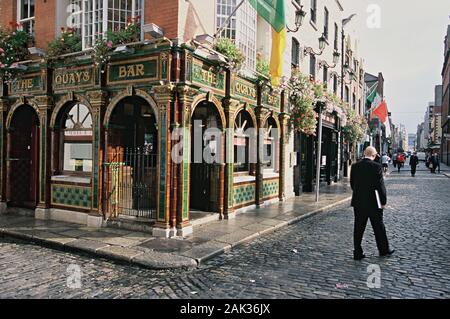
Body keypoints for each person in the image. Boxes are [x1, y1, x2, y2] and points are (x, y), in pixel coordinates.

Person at [350, 146, 394, 260]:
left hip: (358, 202)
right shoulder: (377, 167)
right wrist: (383, 201)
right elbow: (380, 186)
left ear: (364, 153)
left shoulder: (355, 166)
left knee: (358, 228)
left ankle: (357, 252)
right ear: (374, 156)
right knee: (379, 227)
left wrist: (358, 193)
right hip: (374, 202)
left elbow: (352, 184)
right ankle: (383, 250)